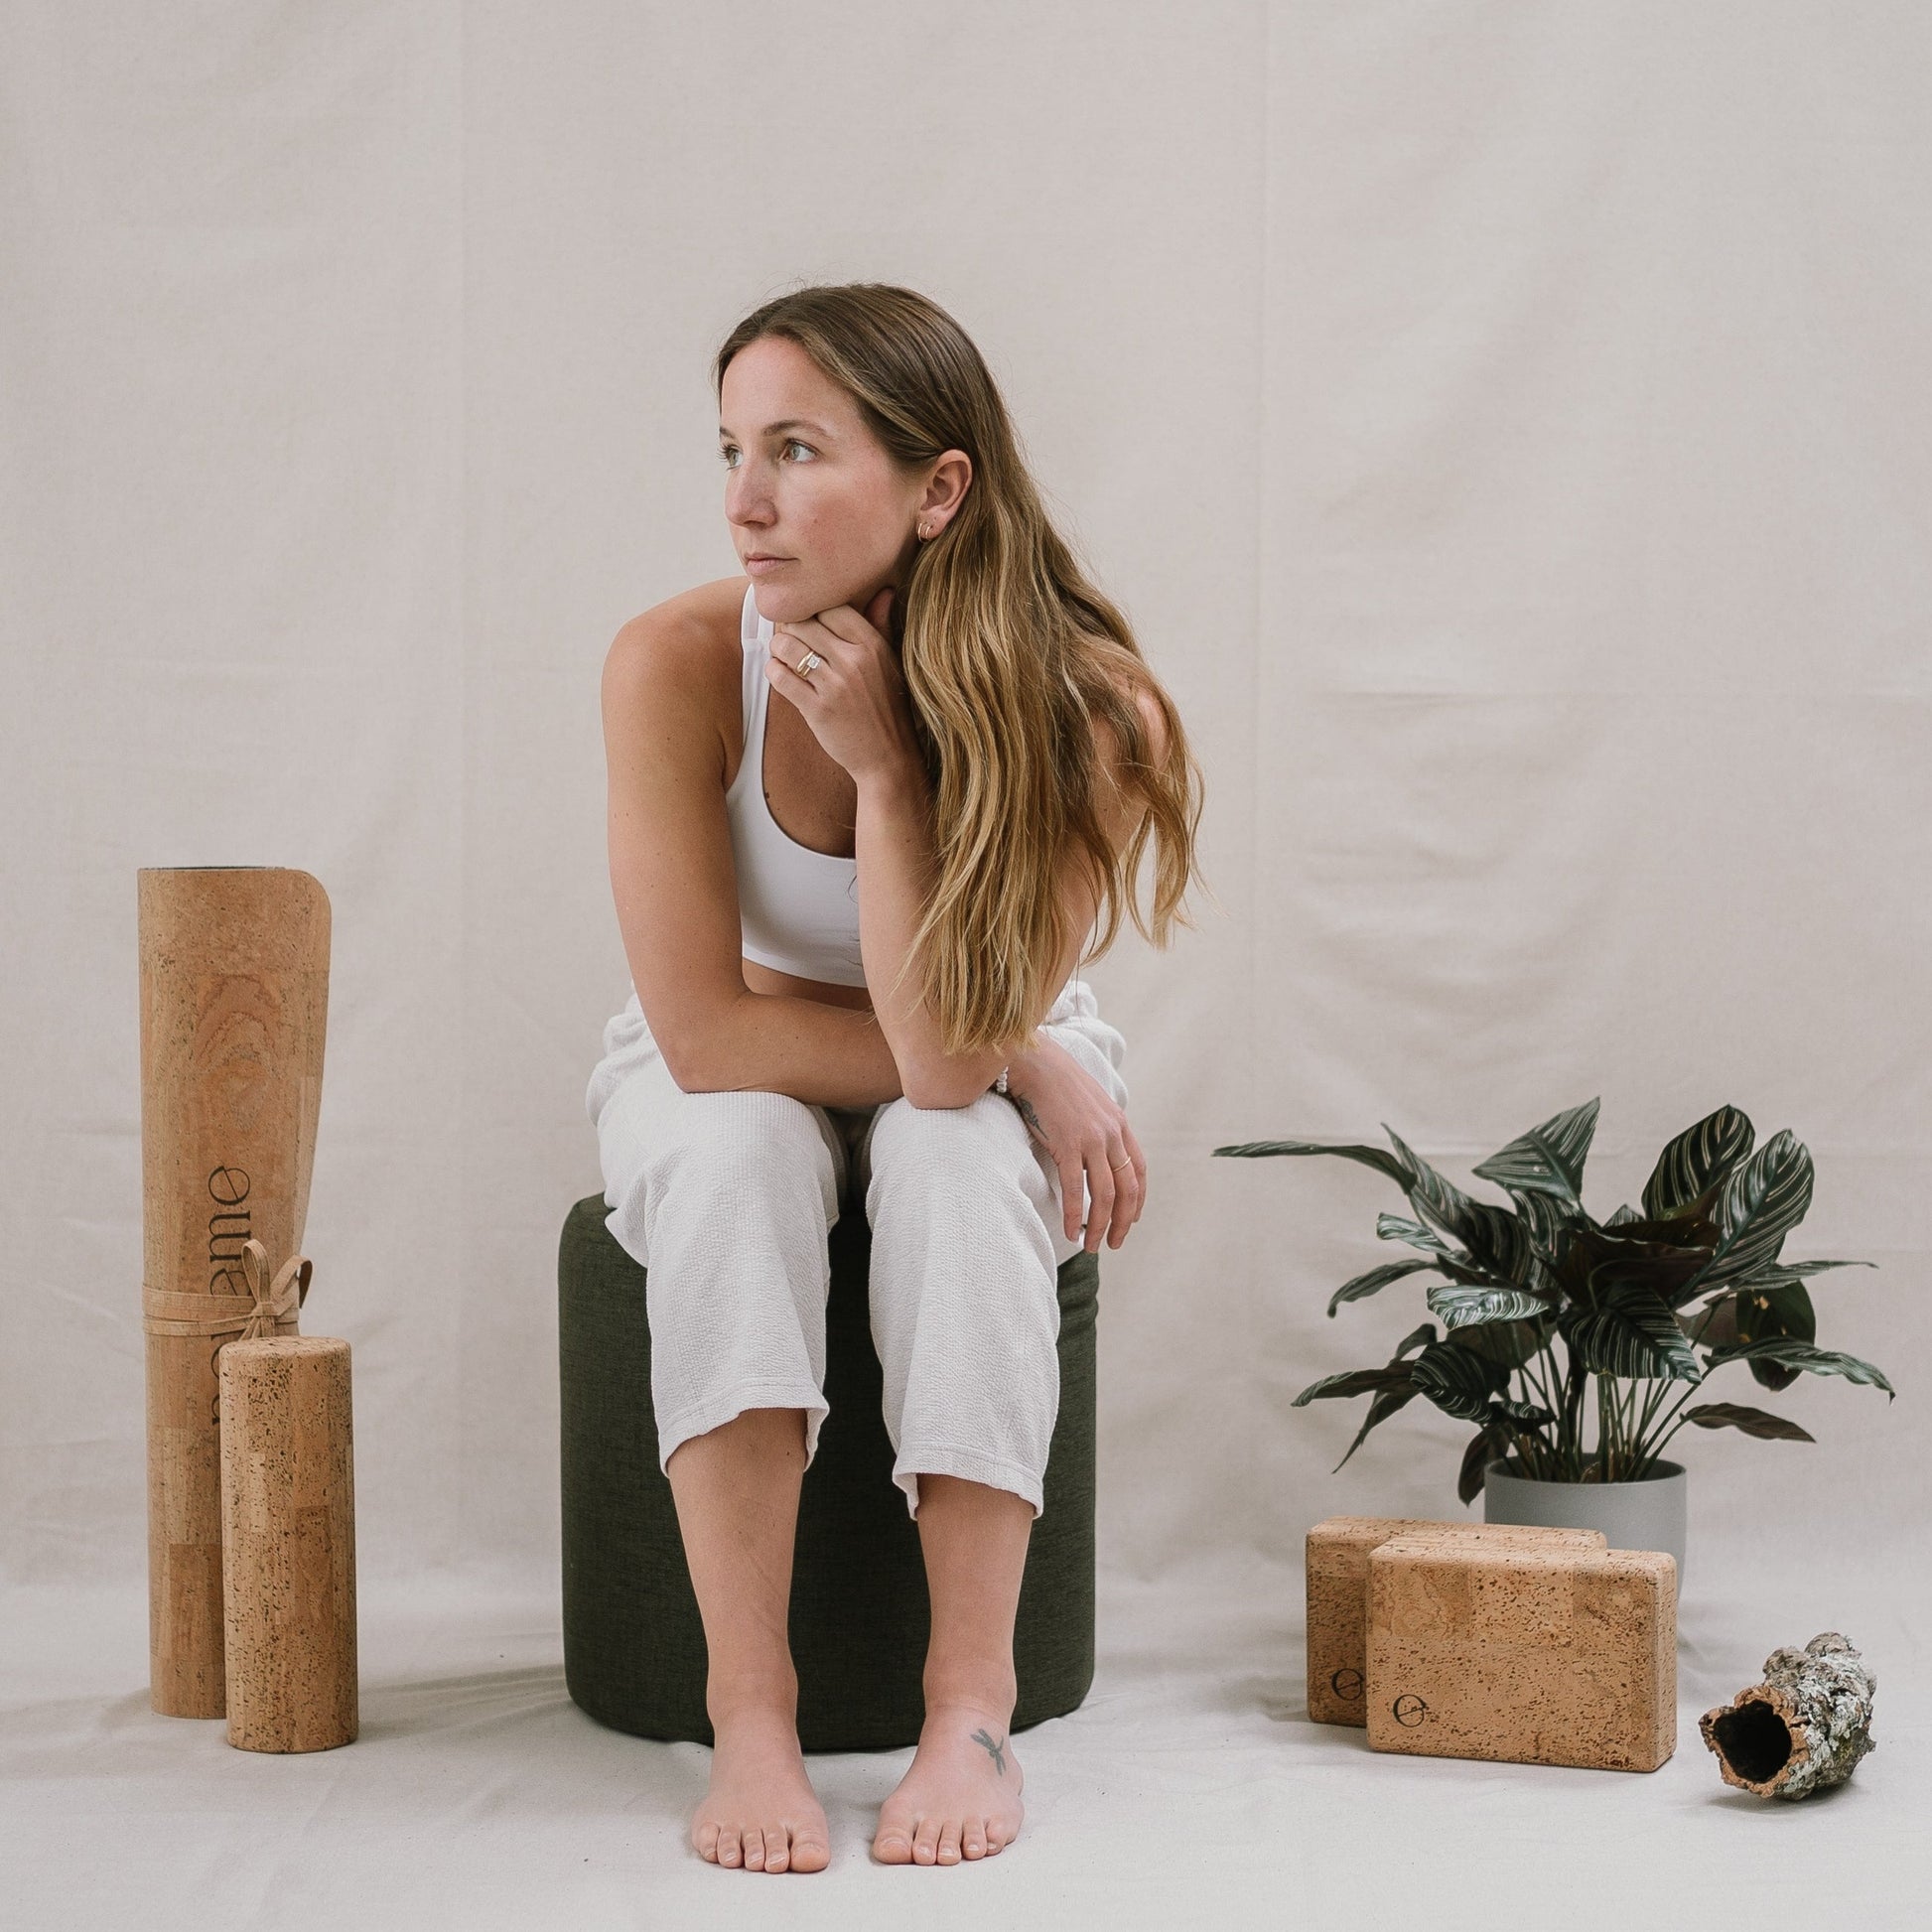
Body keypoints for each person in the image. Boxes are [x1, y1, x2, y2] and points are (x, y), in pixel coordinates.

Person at [585, 283, 1204, 1873]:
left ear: (939, 489)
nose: (744, 499)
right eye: (731, 448)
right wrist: (1032, 1062)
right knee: (732, 1157)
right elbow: (712, 1035)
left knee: (951, 1163)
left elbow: (935, 1065)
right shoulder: (669, 663)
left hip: (965, 1040)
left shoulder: (1090, 709)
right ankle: (751, 1713)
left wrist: (883, 768)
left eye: (797, 449)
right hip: (762, 1049)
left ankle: (969, 1707)